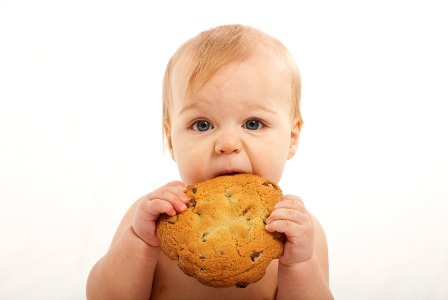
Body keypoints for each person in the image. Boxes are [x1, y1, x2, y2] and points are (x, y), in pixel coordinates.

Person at [87, 24, 333, 299]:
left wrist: (299, 264)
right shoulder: (149, 219)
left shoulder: (300, 233)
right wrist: (139, 241)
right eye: (202, 125)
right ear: (171, 141)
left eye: (253, 123)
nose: (227, 144)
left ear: (291, 137)